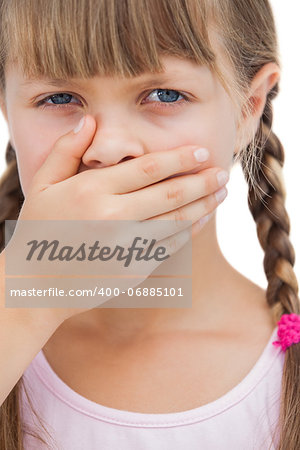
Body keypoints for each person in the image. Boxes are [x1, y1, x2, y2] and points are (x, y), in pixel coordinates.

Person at [0, 0, 299, 448]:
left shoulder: (285, 370)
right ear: (6, 108)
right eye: (59, 98)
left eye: (165, 95)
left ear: (247, 109)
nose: (109, 147)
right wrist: (25, 302)